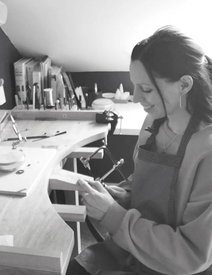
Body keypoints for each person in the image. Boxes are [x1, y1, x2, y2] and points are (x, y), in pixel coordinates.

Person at [66, 26, 212, 275]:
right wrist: (122, 195)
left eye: (146, 89)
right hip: (132, 249)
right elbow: (149, 186)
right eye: (134, 86)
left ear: (185, 85)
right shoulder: (153, 123)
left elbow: (191, 254)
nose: (135, 98)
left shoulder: (206, 151)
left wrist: (114, 216)